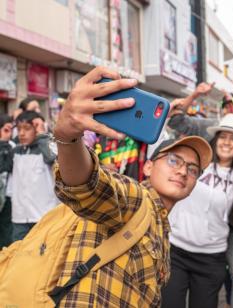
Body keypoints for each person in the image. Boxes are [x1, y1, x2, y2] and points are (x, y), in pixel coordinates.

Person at [32, 67, 212, 306]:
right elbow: (87, 186)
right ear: (148, 167)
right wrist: (68, 137)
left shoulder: (163, 228)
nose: (182, 171)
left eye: (192, 169)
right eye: (173, 160)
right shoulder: (136, 199)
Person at [162, 113, 233, 308]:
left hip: (210, 259)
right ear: (215, 139)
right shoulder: (196, 165)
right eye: (223, 136)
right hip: (175, 253)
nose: (227, 142)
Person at [7, 111, 57, 241]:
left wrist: (42, 135)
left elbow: (52, 158)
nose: (22, 133)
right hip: (20, 217)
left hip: (44, 216)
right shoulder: (15, 151)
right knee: (19, 256)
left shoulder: (48, 147)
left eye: (27, 129)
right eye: (19, 129)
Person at [0, 114, 14, 247]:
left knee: (5, 229)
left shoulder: (12, 146)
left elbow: (9, 167)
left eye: (11, 130)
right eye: (6, 130)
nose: (9, 134)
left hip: (7, 196)